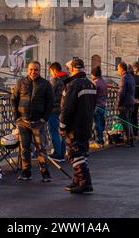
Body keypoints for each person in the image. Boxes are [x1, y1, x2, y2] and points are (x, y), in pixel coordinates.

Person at [11, 60, 54, 182]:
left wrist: (44, 118)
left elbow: (50, 103)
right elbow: (14, 99)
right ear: (27, 69)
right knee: (25, 148)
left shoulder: (45, 84)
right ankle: (26, 171)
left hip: (39, 122)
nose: (33, 72)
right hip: (23, 121)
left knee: (41, 148)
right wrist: (16, 117)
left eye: (36, 69)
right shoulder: (21, 82)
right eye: (31, 69)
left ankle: (45, 172)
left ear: (39, 71)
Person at [59, 58, 96, 194]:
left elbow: (67, 108)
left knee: (75, 155)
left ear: (73, 69)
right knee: (81, 153)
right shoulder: (91, 84)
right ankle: (77, 181)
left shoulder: (73, 85)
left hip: (74, 127)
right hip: (86, 124)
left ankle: (85, 183)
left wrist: (62, 125)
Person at [48, 62, 68, 162]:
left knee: (54, 132)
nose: (51, 74)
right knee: (62, 131)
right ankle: (62, 153)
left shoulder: (55, 81)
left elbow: (49, 96)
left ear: (54, 70)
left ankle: (57, 153)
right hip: (63, 110)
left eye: (51, 71)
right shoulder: (66, 80)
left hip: (53, 110)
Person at [117, 61, 135, 147]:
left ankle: (128, 140)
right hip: (131, 101)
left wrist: (118, 103)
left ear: (121, 68)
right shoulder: (131, 77)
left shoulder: (123, 78)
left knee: (125, 122)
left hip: (125, 103)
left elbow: (121, 92)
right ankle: (131, 139)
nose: (118, 71)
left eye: (118, 69)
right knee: (129, 121)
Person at [91, 66, 108, 147]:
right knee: (101, 124)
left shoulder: (95, 83)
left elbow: (92, 95)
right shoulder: (104, 82)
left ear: (94, 75)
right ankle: (101, 141)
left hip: (96, 106)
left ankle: (98, 141)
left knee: (96, 125)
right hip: (103, 105)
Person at [129, 64, 139, 137]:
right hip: (136, 101)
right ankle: (135, 132)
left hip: (129, 101)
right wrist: (138, 99)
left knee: (128, 117)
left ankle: (130, 133)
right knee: (134, 116)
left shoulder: (127, 78)